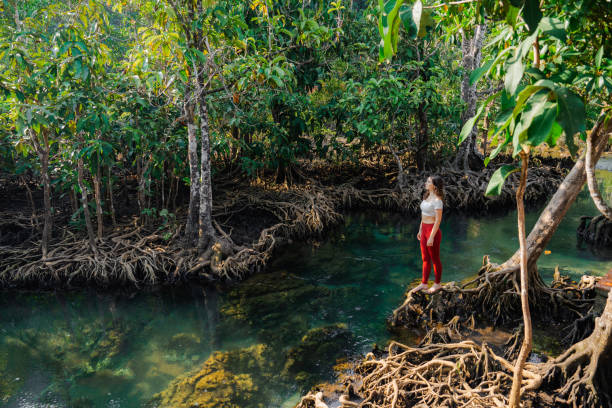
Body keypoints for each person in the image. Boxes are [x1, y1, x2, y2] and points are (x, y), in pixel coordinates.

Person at [412, 176, 444, 294]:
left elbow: (438, 221)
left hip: (432, 232)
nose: (426, 183)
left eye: (428, 182)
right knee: (425, 258)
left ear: (434, 185)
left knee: (435, 259)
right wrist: (420, 230)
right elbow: (423, 215)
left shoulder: (438, 201)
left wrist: (431, 236)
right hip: (424, 229)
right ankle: (424, 283)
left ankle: (437, 284)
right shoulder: (426, 197)